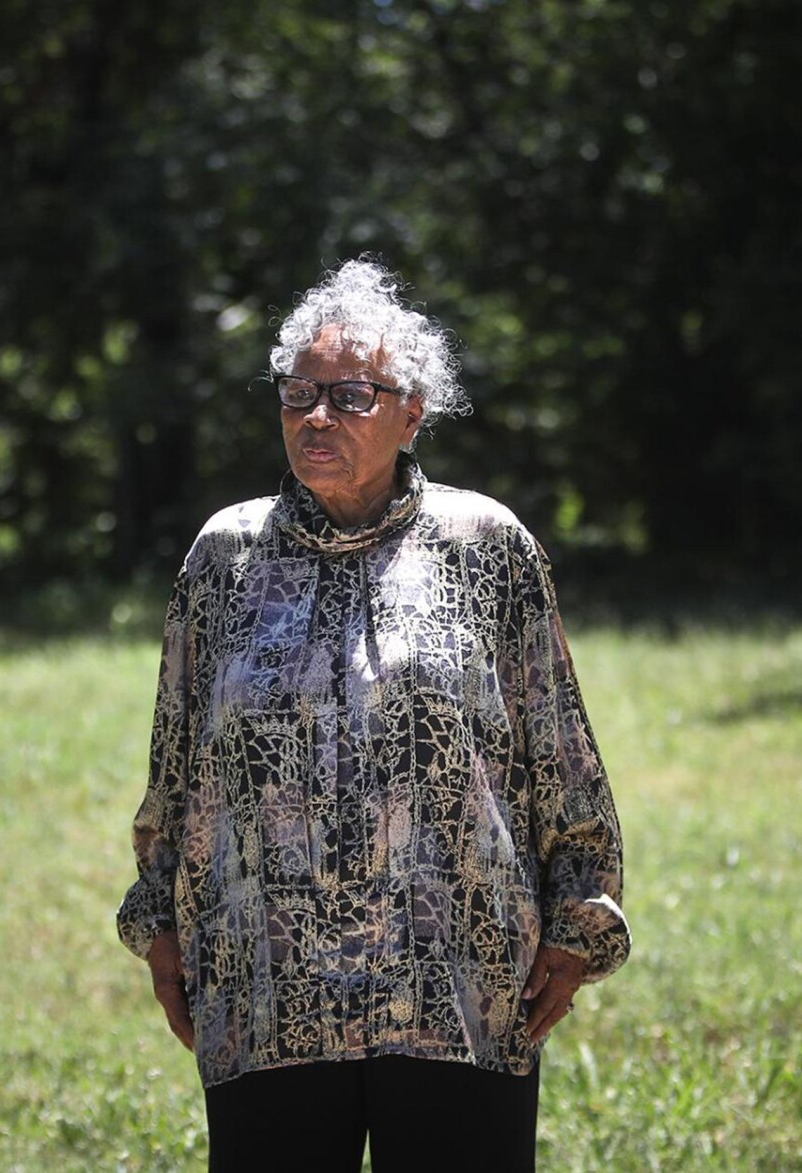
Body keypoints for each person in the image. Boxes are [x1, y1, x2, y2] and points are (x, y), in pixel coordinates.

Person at [117, 258, 631, 1172]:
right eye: (298, 394)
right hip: (265, 988)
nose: (317, 417)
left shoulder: (488, 547)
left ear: (411, 411)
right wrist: (159, 923)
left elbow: (560, 753)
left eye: (351, 395)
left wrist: (579, 917)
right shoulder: (222, 556)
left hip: (460, 986)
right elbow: (176, 764)